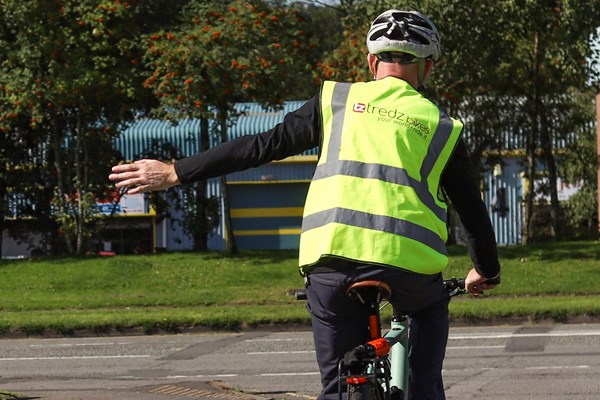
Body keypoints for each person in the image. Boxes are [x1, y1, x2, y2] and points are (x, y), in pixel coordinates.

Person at [110, 9, 501, 400]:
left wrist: (176, 171)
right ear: (428, 67)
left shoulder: (336, 100)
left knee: (337, 386)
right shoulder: (442, 125)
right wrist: (486, 269)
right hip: (411, 271)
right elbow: (470, 211)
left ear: (371, 61)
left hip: (330, 264)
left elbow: (262, 145)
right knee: (426, 368)